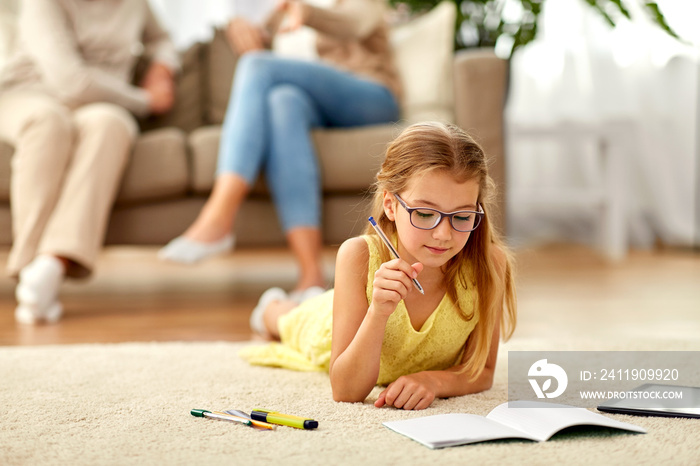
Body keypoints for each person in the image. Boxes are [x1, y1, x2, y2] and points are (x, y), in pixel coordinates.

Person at [239, 122, 518, 410]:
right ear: (390, 204)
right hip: (322, 327)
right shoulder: (357, 256)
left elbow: (482, 372)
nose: (443, 234)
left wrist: (432, 381)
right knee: (287, 320)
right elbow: (346, 390)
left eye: (461, 216)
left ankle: (306, 299)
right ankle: (272, 305)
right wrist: (378, 312)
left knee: (310, 302)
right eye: (424, 213)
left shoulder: (490, 264)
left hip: (348, 306)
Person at [158, 0, 402, 298]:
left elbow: (353, 23)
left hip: (371, 96)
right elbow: (266, 34)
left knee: (257, 65)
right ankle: (311, 275)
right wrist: (243, 24)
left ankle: (219, 216)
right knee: (282, 102)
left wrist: (306, 11)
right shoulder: (286, 8)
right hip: (314, 102)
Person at [0, 0, 179, 324]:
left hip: (98, 103)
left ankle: (51, 265)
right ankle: (29, 267)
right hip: (30, 93)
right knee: (48, 122)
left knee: (111, 124)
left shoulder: (135, 3)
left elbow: (163, 38)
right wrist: (143, 101)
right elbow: (71, 81)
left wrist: (162, 66)